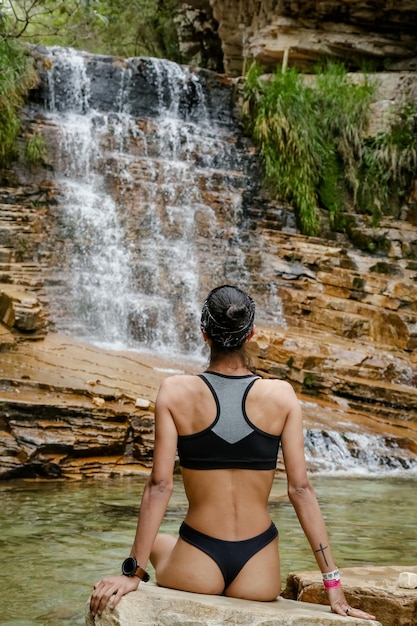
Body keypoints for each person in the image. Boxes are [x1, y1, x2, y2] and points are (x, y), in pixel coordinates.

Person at [90, 284, 376, 620]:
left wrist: (131, 573)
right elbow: (300, 489)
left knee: (158, 543)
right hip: (259, 571)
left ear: (204, 334)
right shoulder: (282, 396)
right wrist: (333, 587)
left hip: (197, 563)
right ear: (251, 332)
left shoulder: (175, 391)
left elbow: (159, 485)